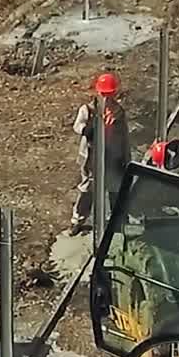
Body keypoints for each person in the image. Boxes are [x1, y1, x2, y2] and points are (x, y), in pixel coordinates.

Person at [70, 72, 131, 235]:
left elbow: (124, 136)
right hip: (92, 157)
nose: (107, 98)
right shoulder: (89, 110)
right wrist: (88, 129)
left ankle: (117, 220)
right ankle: (78, 220)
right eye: (104, 94)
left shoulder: (119, 112)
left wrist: (126, 159)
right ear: (98, 92)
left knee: (115, 189)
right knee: (87, 189)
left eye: (110, 94)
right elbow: (77, 126)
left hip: (112, 156)